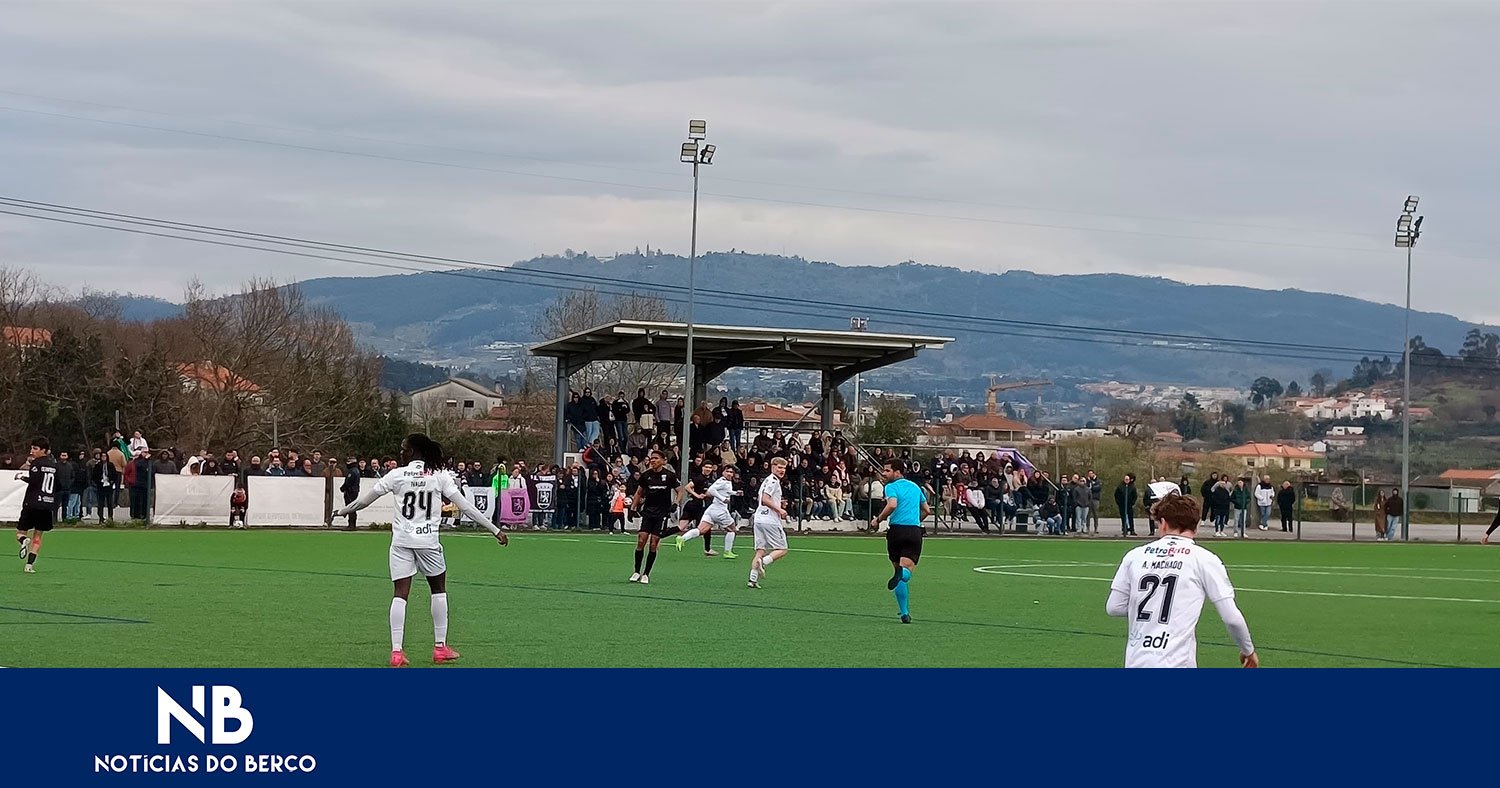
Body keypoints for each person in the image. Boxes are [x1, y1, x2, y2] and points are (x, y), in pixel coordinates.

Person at [331, 433, 507, 667]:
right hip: (428, 543)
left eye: (404, 449)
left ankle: (396, 652)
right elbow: (465, 507)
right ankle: (440, 647)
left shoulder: (396, 475)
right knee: (438, 590)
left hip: (402, 542)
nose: (400, 452)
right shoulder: (439, 476)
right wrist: (495, 530)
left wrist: (342, 512)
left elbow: (364, 501)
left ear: (413, 452)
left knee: (400, 594)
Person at [1105, 488, 1258, 668]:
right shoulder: (1204, 558)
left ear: (1163, 523)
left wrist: (1150, 606)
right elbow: (1232, 617)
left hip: (1136, 661)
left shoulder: (1135, 555)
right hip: (1177, 663)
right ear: (1197, 524)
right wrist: (1248, 650)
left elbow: (1114, 607)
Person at [870, 459, 931, 624]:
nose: (884, 473)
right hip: (913, 531)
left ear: (898, 472)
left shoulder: (891, 487)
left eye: (887, 470)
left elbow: (892, 505)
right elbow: (927, 510)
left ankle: (905, 612)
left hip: (896, 531)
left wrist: (878, 519)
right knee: (906, 573)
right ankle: (901, 575)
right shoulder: (915, 487)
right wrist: (916, 520)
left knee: (899, 570)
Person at [628, 450, 678, 584]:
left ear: (663, 460)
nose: (653, 461)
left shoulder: (670, 476)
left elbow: (680, 490)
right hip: (648, 512)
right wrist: (633, 508)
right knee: (641, 540)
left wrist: (676, 503)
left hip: (662, 514)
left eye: (656, 458)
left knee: (654, 543)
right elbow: (639, 493)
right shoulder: (646, 476)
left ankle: (646, 574)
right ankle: (636, 571)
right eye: (651, 458)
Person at [14, 437, 57, 574]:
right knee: (38, 537)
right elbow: (59, 485)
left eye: (35, 448)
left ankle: (24, 541)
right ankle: (29, 566)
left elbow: (34, 480)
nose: (32, 451)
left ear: (44, 450)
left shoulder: (36, 463)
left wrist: (21, 477)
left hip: (32, 503)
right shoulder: (53, 465)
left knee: (20, 533)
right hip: (47, 504)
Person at [677, 465, 740, 558]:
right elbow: (711, 490)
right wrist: (722, 498)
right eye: (728, 471)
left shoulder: (726, 482)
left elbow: (724, 491)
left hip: (711, 510)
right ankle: (727, 552)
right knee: (732, 530)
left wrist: (735, 493)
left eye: (731, 472)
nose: (730, 474)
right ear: (723, 472)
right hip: (720, 511)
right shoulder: (722, 481)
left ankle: (682, 538)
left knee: (701, 530)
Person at [748, 457, 790, 588]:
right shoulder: (773, 481)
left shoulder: (766, 481)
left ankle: (752, 580)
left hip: (759, 519)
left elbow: (764, 498)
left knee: (760, 550)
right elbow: (765, 500)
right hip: (770, 520)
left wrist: (778, 502)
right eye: (779, 467)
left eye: (783, 468)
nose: (782, 470)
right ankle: (763, 562)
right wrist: (780, 509)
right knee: (782, 549)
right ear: (772, 467)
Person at [339, 457, 361, 531]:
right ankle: (352, 524)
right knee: (352, 508)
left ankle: (351, 525)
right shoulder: (356, 470)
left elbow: (348, 482)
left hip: (350, 492)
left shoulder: (352, 471)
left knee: (351, 508)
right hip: (354, 491)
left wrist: (343, 488)